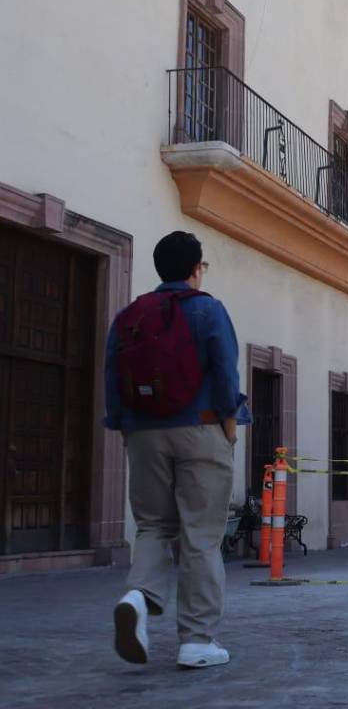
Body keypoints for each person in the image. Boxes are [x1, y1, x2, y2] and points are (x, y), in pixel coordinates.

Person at [105, 231, 250, 668]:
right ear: (195, 269)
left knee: (152, 525)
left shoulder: (129, 315)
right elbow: (226, 373)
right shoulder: (208, 310)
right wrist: (229, 427)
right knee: (201, 535)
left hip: (143, 432)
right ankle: (197, 640)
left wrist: (125, 428)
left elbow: (112, 378)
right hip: (201, 427)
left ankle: (138, 594)